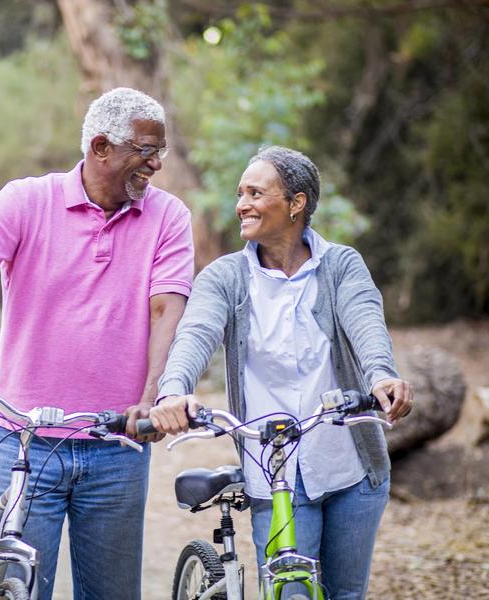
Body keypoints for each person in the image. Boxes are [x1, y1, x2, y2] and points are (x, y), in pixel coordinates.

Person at [0, 87, 194, 600]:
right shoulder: (25, 200)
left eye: (160, 152)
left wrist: (152, 396)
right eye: (145, 151)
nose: (155, 165)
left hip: (117, 446)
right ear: (101, 146)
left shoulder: (168, 217)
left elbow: (165, 308)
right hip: (23, 442)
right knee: (16, 588)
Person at [149, 146, 413, 599]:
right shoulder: (225, 277)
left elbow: (366, 325)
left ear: (296, 203)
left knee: (345, 595)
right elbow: (195, 334)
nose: (241, 204)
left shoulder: (341, 266)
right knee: (292, 593)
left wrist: (381, 378)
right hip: (274, 476)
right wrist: (174, 391)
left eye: (256, 192)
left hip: (351, 467)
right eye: (240, 194)